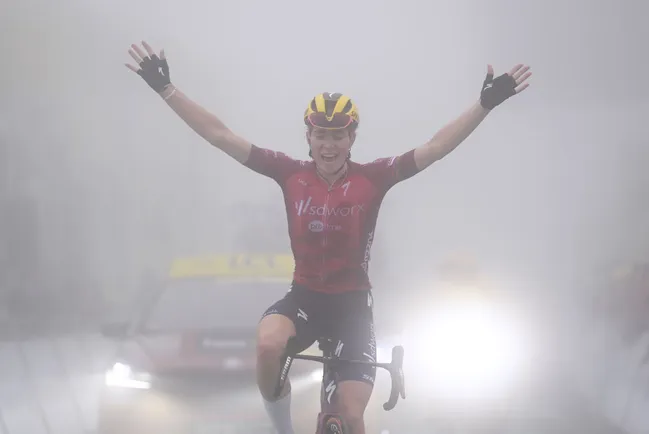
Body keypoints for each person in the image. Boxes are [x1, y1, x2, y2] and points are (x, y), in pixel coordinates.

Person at [125, 41, 532, 434]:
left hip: (352, 309)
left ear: (352, 139)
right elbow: (220, 135)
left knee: (349, 421)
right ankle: (283, 430)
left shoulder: (373, 178)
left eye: (339, 135)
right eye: (321, 134)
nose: (329, 144)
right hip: (304, 298)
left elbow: (436, 147)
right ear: (309, 137)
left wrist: (484, 105)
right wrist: (166, 89)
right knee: (268, 345)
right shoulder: (289, 173)